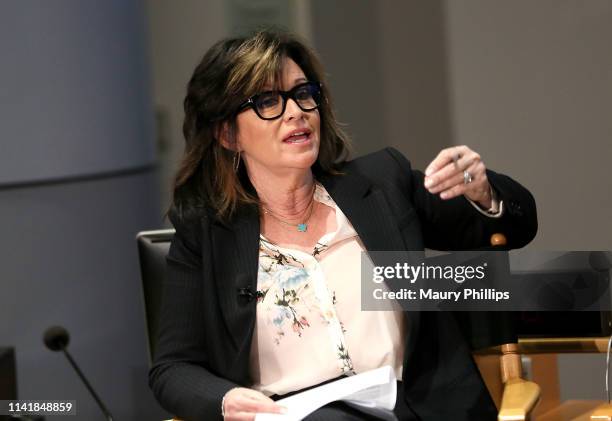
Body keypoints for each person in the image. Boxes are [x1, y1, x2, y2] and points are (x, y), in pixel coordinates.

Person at [149, 29, 537, 421]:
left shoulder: (381, 185)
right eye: (268, 101)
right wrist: (226, 398)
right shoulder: (206, 233)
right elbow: (172, 369)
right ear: (227, 133)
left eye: (303, 94)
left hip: (416, 408)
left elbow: (509, 228)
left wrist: (482, 191)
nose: (296, 111)